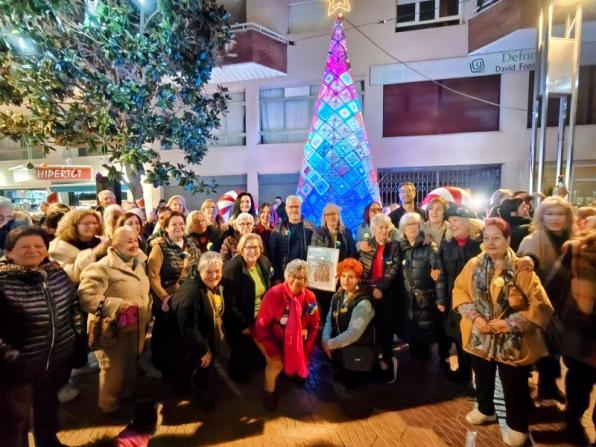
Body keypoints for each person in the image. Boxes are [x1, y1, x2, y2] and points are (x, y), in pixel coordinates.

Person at [453, 217, 553, 447]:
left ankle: (517, 427)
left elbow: (541, 306)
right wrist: (475, 317)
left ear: (508, 239)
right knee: (482, 376)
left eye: (496, 237)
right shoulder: (473, 264)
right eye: (486, 237)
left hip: (512, 339)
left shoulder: (521, 268)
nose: (490, 242)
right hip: (481, 334)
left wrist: (510, 324)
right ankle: (485, 409)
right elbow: (459, 291)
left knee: (513, 384)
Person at [0, 226, 81, 447]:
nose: (32, 251)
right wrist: (10, 355)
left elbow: (72, 303)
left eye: (38, 246)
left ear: (46, 250)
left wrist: (74, 332)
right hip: (15, 369)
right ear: (9, 252)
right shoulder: (3, 281)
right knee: (15, 420)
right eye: (24, 247)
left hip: (54, 360)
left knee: (47, 409)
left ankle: (48, 442)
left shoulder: (55, 272)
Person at [78, 227, 152, 415]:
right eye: (129, 241)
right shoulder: (101, 267)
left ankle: (126, 397)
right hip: (111, 328)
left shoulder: (141, 262)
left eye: (135, 240)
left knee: (130, 365)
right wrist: (115, 305)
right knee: (113, 370)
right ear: (114, 244)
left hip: (135, 326)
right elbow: (86, 297)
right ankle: (109, 407)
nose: (134, 244)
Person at [518, 196, 574, 401]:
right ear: (542, 216)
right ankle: (523, 391)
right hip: (540, 303)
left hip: (565, 305)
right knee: (535, 348)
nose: (555, 218)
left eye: (560, 213)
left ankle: (548, 387)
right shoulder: (532, 240)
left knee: (554, 349)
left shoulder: (573, 240)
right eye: (550, 213)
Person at [545, 231, 596, 445]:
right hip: (580, 336)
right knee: (578, 385)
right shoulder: (577, 251)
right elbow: (552, 289)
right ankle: (573, 421)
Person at [253, 259, 320, 410]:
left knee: (300, 364)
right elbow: (261, 326)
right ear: (286, 276)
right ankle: (269, 392)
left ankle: (289, 372)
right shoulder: (274, 294)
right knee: (275, 364)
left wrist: (307, 352)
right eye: (293, 276)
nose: (296, 280)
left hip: (294, 339)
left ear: (306, 280)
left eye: (301, 277)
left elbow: (314, 325)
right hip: (270, 337)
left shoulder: (310, 298)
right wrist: (273, 351)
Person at [172, 252, 228, 411]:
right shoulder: (193, 293)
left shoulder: (202, 285)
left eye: (217, 271)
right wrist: (204, 350)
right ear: (199, 271)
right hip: (187, 343)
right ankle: (200, 393)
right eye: (209, 272)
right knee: (200, 366)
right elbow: (189, 327)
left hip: (195, 337)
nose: (214, 275)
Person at [147, 211, 198, 381]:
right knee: (164, 333)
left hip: (186, 297)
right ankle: (162, 365)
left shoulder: (191, 244)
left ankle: (183, 366)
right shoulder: (159, 246)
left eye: (181, 224)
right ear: (166, 228)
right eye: (174, 224)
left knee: (182, 333)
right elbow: (153, 276)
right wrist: (164, 297)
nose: (178, 227)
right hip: (166, 298)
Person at [439, 205, 482, 383]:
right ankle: (464, 372)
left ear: (468, 223)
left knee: (474, 337)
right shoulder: (446, 244)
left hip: (474, 300)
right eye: (449, 221)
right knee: (457, 335)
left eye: (455, 220)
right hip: (453, 299)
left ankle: (478, 377)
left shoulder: (480, 245)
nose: (451, 224)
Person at [396, 212, 446, 368]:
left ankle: (425, 373)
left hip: (424, 299)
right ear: (403, 229)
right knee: (412, 335)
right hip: (407, 299)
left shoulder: (429, 246)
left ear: (420, 227)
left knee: (425, 337)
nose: (411, 228)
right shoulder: (400, 247)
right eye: (408, 225)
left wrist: (441, 300)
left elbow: (439, 275)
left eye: (414, 224)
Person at [223, 233, 272, 383]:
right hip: (240, 316)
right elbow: (230, 304)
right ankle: (236, 371)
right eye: (249, 247)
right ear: (241, 249)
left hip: (261, 312)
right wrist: (244, 324)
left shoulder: (263, 262)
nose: (253, 251)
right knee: (243, 344)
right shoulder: (232, 268)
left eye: (256, 247)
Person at [359, 213, 400, 383]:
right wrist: (369, 288)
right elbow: (361, 269)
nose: (383, 230)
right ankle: (374, 360)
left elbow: (393, 270)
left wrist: (381, 288)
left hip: (387, 292)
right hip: (369, 290)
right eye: (379, 227)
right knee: (371, 328)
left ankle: (389, 359)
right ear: (373, 229)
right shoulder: (366, 246)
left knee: (386, 328)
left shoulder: (394, 246)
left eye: (386, 227)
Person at [322, 258, 376, 383]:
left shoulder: (363, 302)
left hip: (358, 354)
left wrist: (329, 344)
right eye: (343, 276)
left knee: (352, 386)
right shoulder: (337, 296)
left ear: (357, 279)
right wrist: (325, 340)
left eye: (351, 277)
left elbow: (353, 334)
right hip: (342, 350)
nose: (346, 280)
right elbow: (329, 321)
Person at [311, 203, 357, 319]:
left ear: (338, 215)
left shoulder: (346, 231)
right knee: (326, 309)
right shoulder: (318, 232)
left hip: (343, 277)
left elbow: (352, 254)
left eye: (334, 213)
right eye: (328, 214)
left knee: (341, 310)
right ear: (324, 217)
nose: (331, 217)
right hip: (324, 279)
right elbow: (315, 257)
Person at [49, 209, 108, 284]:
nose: (92, 226)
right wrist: (94, 252)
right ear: (73, 226)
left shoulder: (101, 241)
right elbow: (71, 277)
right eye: (86, 223)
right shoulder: (59, 248)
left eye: (95, 223)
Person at [269, 195, 315, 282]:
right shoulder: (277, 229)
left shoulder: (311, 228)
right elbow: (273, 256)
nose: (294, 210)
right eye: (291, 207)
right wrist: (277, 277)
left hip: (305, 275)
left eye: (297, 206)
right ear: (286, 209)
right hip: (285, 276)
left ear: (300, 208)